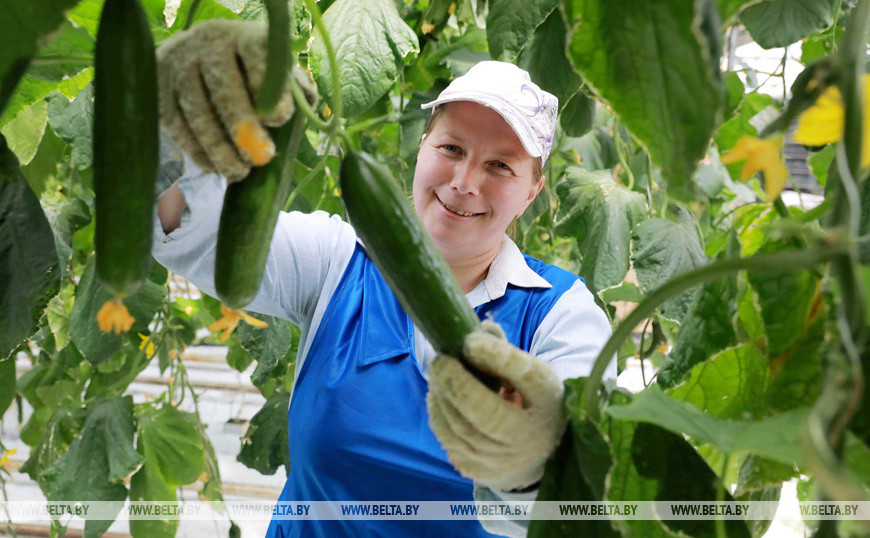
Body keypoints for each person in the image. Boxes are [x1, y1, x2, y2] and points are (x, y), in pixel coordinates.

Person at [153, 20, 616, 538]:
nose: (465, 183)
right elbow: (188, 234)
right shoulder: (337, 259)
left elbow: (573, 502)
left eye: (501, 166)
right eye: (452, 149)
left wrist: (524, 460)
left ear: (532, 192)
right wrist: (175, 127)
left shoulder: (561, 314)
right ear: (423, 148)